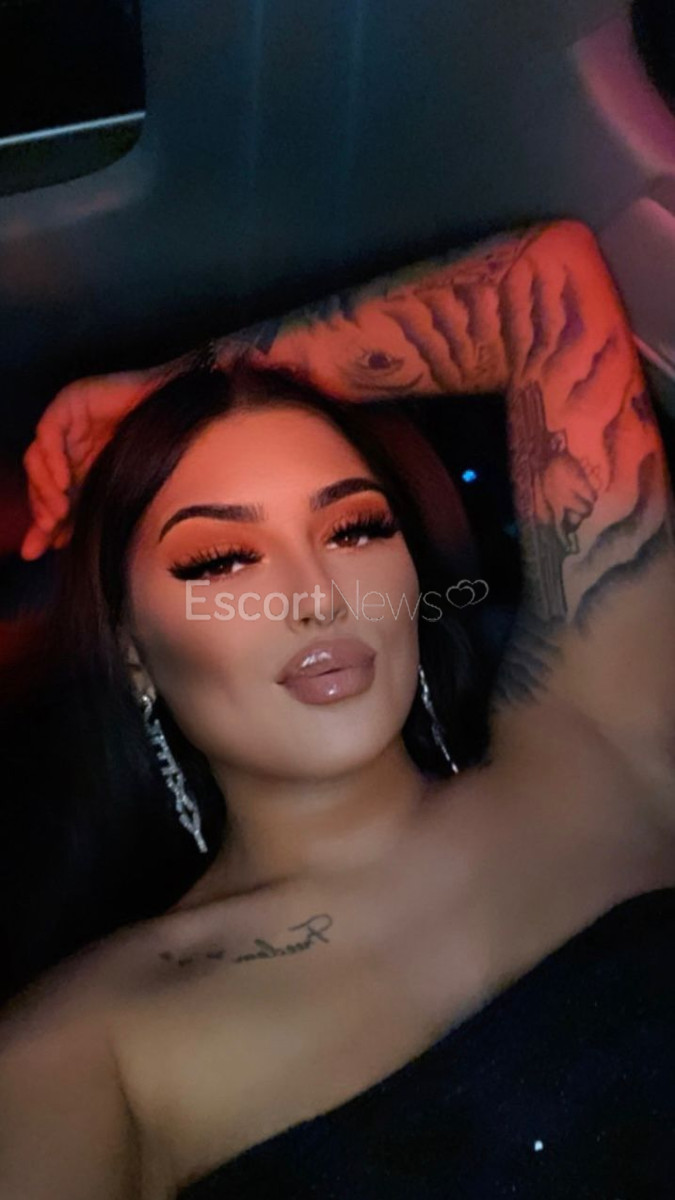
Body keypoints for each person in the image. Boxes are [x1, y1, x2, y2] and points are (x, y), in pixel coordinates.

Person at [2, 218, 675, 1199]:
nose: (317, 595)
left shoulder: (594, 750)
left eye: (354, 528)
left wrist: (167, 389)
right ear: (133, 645)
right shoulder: (80, 1052)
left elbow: (547, 279)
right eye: (221, 559)